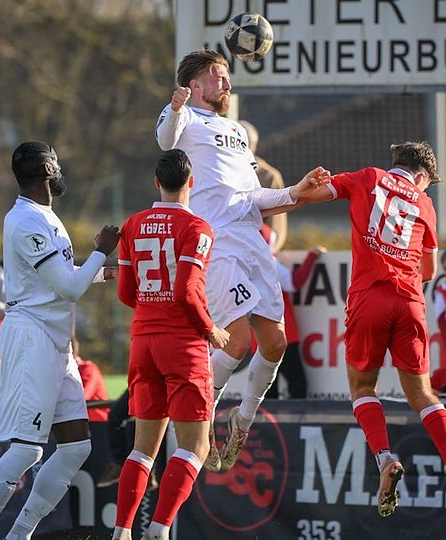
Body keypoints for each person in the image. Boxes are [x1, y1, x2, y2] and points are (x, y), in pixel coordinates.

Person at [156, 49, 330, 472]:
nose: (227, 84)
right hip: (218, 242)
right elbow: (164, 139)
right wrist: (175, 106)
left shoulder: (235, 130)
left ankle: (242, 420)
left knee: (276, 343)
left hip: (252, 239)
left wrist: (295, 192)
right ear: (195, 85)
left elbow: (255, 196)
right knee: (236, 342)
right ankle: (200, 414)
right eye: (219, 77)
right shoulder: (184, 116)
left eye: (227, 77)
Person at [290, 142, 446, 530]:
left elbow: (310, 195)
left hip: (369, 296)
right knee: (422, 394)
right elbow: (428, 271)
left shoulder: (368, 177)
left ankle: (385, 458)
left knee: (362, 387)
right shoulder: (425, 205)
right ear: (421, 176)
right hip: (409, 301)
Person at [0, 141, 120, 540]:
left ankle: (20, 534)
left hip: (55, 341)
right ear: (48, 170)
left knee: (76, 447)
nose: (60, 170)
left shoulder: (45, 216)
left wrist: (104, 272)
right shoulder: (27, 220)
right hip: (32, 337)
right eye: (56, 164)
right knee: (26, 451)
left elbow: (59, 280)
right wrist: (100, 252)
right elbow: (68, 288)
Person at [112, 148, 229, 540]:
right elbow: (185, 292)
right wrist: (211, 330)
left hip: (143, 341)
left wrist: (152, 305)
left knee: (143, 448)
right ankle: (159, 530)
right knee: (195, 447)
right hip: (182, 344)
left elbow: (126, 293)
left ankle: (122, 531)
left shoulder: (133, 225)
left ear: (157, 182)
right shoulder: (197, 228)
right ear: (191, 182)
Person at [261, 225, 323, 399]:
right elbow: (295, 282)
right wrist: (312, 257)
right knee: (298, 386)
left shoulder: (241, 263)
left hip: (259, 337)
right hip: (283, 333)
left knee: (266, 390)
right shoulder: (269, 263)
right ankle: (296, 418)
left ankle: (267, 419)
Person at [240, 120, 287, 252]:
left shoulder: (268, 177)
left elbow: (276, 228)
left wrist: (268, 251)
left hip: (254, 251)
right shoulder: (217, 168)